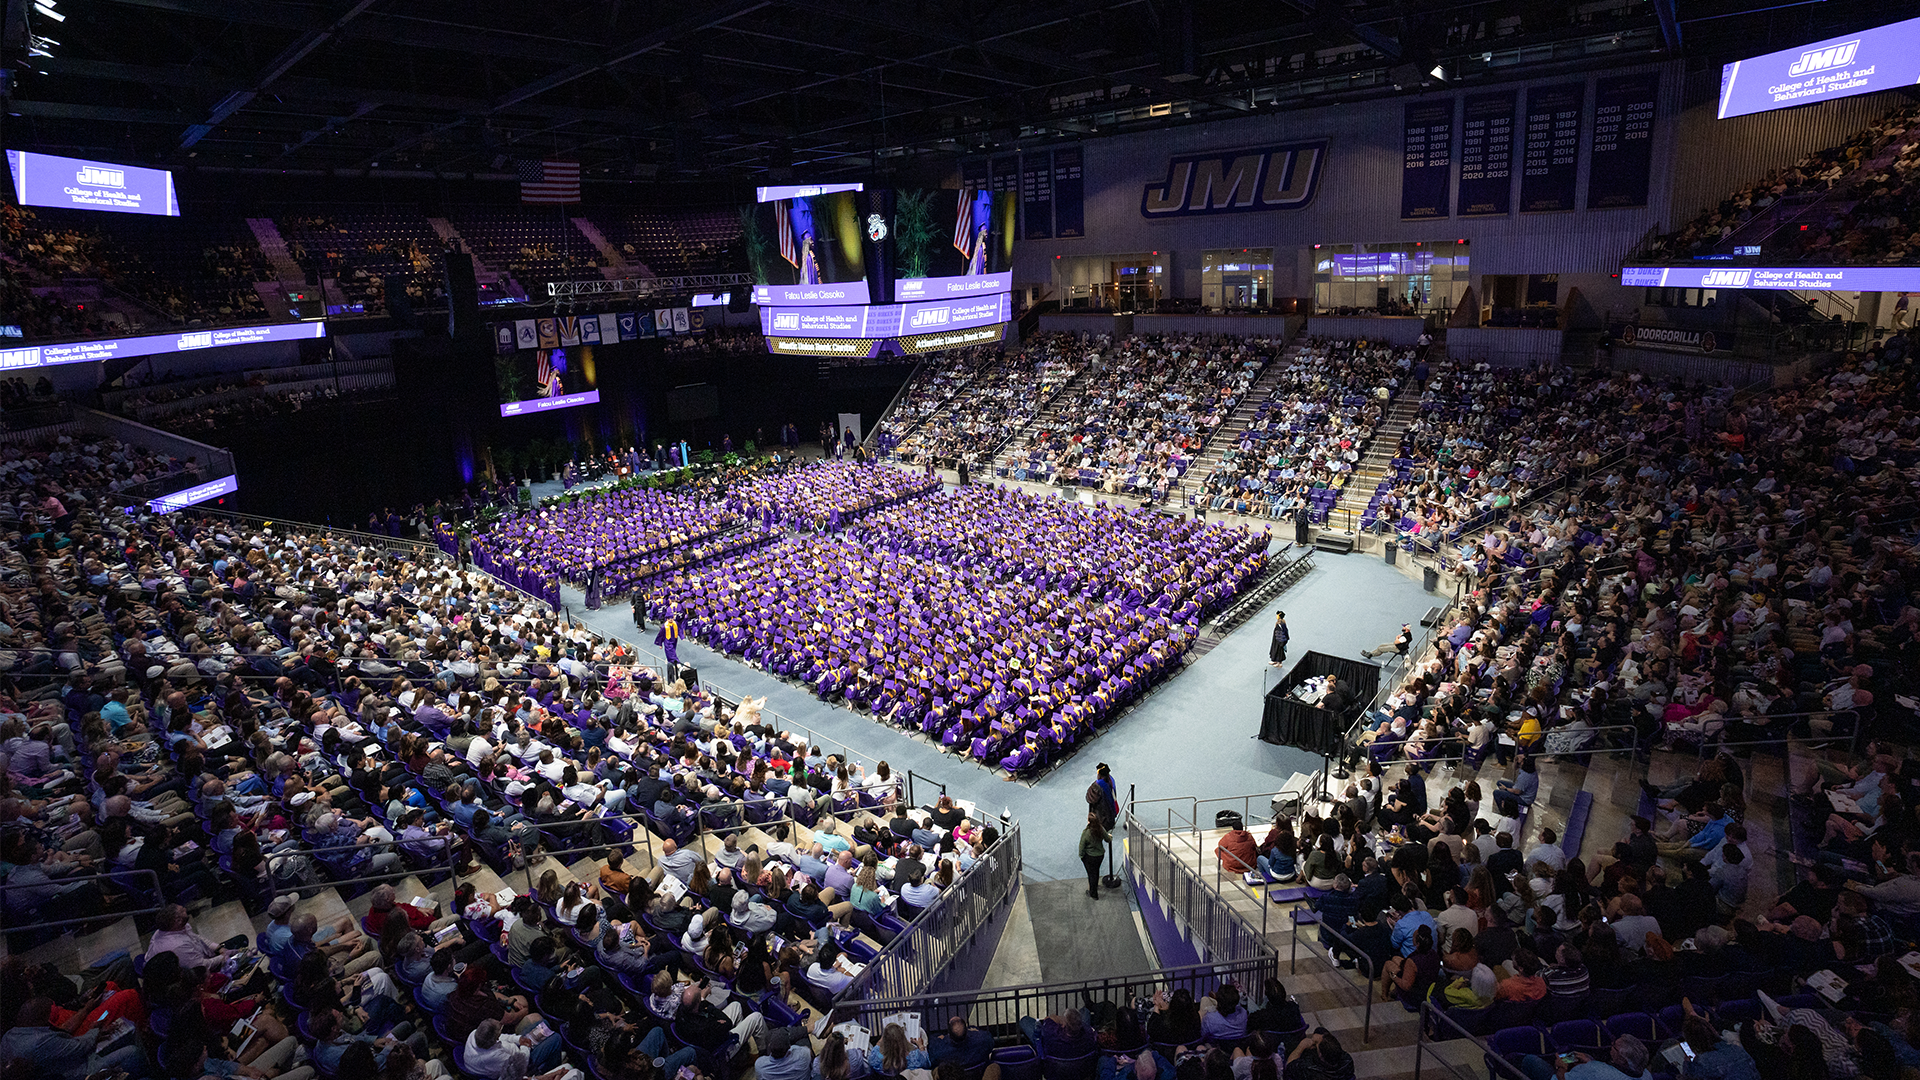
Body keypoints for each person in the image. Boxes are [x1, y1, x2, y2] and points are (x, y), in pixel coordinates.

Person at [1516, 1034, 1652, 1080]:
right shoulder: (1647, 1075)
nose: (1611, 1045)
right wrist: (1590, 1062)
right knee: (1581, 1056)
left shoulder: (1596, 1070)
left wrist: (1560, 1066)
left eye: (1614, 1047)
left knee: (1530, 1061)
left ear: (1622, 1060)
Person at [1081, 812, 1109, 900]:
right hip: (1100, 855)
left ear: (1089, 821)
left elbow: (1081, 846)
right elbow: (1108, 839)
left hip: (1090, 857)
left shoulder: (1086, 833)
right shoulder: (1101, 829)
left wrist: (1082, 856)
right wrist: (1110, 836)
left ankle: (1093, 893)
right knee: (1096, 871)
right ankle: (1095, 886)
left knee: (1091, 874)